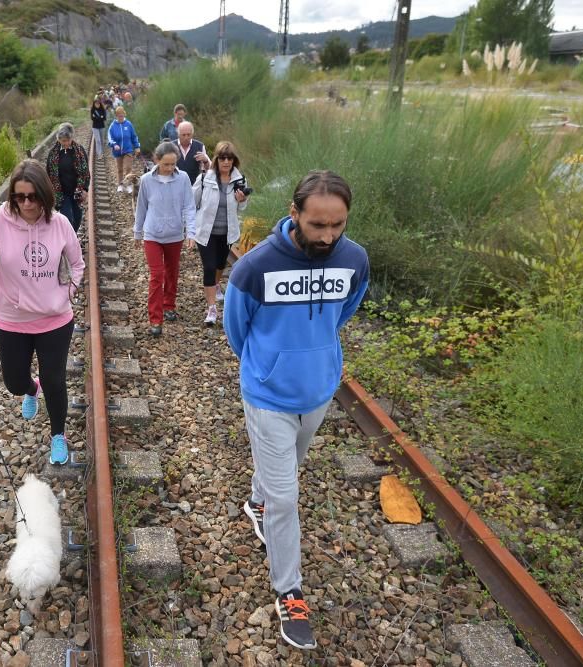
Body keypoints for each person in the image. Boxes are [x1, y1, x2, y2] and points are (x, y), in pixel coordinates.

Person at [223, 171, 369, 651]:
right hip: (268, 397)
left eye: (338, 225)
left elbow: (342, 313)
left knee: (282, 474)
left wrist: (316, 358)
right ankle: (290, 590)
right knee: (287, 497)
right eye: (317, 225)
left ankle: (255, 502)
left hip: (319, 392)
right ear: (295, 214)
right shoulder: (256, 267)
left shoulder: (354, 260)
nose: (328, 236)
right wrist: (269, 369)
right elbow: (236, 331)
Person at [0, 160, 85, 466]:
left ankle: (58, 435)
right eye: (19, 197)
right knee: (14, 382)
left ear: (44, 195)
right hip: (12, 320)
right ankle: (30, 388)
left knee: (55, 380)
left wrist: (69, 291)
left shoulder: (60, 224)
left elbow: (77, 264)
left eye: (32, 196)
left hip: (55, 319)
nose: (26, 203)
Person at [133, 141, 197, 336]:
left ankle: (169, 304)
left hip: (175, 234)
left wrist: (191, 232)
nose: (170, 168)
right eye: (166, 164)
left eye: (173, 164)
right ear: (156, 160)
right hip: (152, 234)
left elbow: (189, 206)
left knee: (172, 272)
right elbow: (141, 207)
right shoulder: (146, 180)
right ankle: (155, 318)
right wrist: (137, 232)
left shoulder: (183, 178)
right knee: (156, 275)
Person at [192, 141, 248, 326]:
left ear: (234, 161)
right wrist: (189, 229)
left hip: (227, 232)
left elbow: (242, 208)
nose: (226, 161)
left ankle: (216, 284)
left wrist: (242, 199)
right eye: (223, 158)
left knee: (220, 264)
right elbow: (193, 201)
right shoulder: (205, 178)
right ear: (217, 159)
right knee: (208, 267)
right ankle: (211, 309)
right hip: (206, 232)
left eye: (229, 158)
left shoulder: (240, 180)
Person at [46, 123, 90, 234]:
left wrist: (85, 189)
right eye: (62, 140)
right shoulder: (53, 154)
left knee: (78, 217)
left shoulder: (79, 151)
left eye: (67, 140)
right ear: (59, 139)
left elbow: (86, 173)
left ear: (71, 138)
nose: (65, 143)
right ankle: (69, 240)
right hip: (61, 193)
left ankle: (73, 237)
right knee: (68, 219)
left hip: (77, 191)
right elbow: (48, 173)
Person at [108, 105, 141, 194]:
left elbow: (134, 136)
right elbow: (110, 138)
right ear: (116, 116)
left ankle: (129, 185)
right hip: (117, 151)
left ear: (124, 115)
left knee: (128, 168)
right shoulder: (112, 126)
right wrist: (114, 144)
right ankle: (120, 185)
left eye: (122, 115)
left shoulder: (128, 124)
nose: (121, 117)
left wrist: (137, 146)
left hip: (128, 150)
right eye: (119, 116)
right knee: (119, 169)